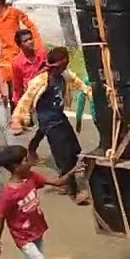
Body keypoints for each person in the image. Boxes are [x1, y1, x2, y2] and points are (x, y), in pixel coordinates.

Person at [14, 47, 93, 205]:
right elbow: (25, 100)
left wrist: (90, 93)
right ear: (59, 64)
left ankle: (66, 181)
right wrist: (17, 119)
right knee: (64, 156)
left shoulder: (64, 75)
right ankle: (74, 191)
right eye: (65, 63)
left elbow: (78, 83)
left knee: (74, 150)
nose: (66, 66)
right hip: (48, 122)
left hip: (59, 117)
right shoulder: (41, 81)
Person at [0, 0, 45, 104]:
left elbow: (31, 26)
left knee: (19, 85)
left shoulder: (14, 13)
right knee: (10, 85)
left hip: (18, 54)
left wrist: (37, 45)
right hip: (5, 56)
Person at [10, 29, 45, 112]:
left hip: (46, 95)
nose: (30, 42)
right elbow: (18, 87)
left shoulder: (42, 54)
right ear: (20, 45)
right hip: (32, 99)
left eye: (30, 39)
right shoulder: (17, 63)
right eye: (25, 41)